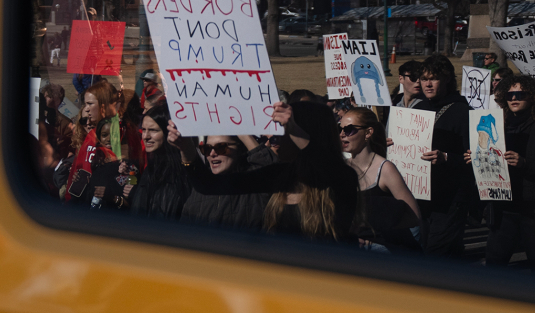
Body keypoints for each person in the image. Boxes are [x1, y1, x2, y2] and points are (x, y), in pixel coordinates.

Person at [173, 101, 361, 241]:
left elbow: (325, 165)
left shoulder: (341, 178)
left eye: (283, 131)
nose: (276, 138)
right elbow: (208, 185)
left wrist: (294, 129)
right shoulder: (279, 175)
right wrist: (186, 148)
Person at [485, 75, 535, 270]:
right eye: (510, 94)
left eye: (520, 94)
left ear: (532, 97)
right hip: (504, 207)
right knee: (494, 264)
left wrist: (525, 163)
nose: (514, 98)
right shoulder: (498, 126)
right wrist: (477, 158)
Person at [411, 57, 473, 256]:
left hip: (451, 198)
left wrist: (447, 157)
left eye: (434, 79)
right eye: (423, 79)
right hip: (422, 196)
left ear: (447, 80)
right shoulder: (417, 109)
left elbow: (475, 159)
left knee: (436, 252)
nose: (427, 84)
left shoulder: (463, 112)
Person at [339, 107, 421, 251]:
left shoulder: (385, 169)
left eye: (349, 129)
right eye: (339, 129)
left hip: (381, 249)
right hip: (350, 246)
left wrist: (375, 230)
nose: (342, 134)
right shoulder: (342, 168)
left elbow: (414, 216)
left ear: (368, 132)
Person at [61, 80, 144, 207]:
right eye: (85, 104)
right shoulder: (92, 134)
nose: (86, 109)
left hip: (110, 210)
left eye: (90, 104)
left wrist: (122, 195)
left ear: (103, 106)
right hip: (83, 205)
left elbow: (133, 172)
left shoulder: (125, 134)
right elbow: (77, 170)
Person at [176, 135, 274, 230]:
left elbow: (270, 169)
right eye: (207, 149)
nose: (212, 154)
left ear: (239, 148)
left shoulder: (254, 184)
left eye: (221, 147)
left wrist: (243, 131)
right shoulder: (201, 188)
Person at [124, 106, 191, 219]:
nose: (145, 136)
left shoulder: (183, 171)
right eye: (144, 130)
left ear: (167, 132)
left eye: (153, 130)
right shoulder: (151, 168)